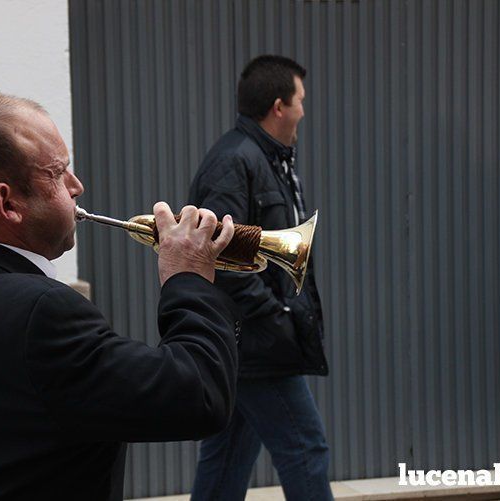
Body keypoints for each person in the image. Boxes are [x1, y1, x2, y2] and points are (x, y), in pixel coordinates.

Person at [0, 93, 241, 501]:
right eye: (57, 173)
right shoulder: (43, 311)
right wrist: (188, 278)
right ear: (8, 204)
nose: (76, 186)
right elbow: (199, 397)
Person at [188, 55, 332, 500]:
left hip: (248, 340)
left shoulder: (266, 160)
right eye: (300, 101)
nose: (304, 111)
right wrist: (277, 317)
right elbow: (225, 261)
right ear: (278, 107)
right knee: (306, 450)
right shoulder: (236, 163)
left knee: (227, 460)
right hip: (256, 341)